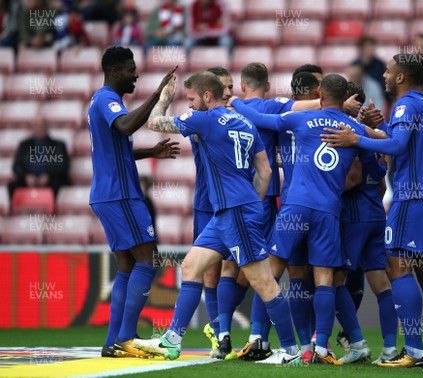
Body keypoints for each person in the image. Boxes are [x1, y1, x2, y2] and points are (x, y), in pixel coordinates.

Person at [132, 71, 302, 365]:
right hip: (230, 211)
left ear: (207, 97)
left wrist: (164, 98)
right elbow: (266, 172)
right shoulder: (246, 123)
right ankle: (172, 340)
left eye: (192, 99)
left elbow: (154, 122)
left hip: (235, 211)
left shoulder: (206, 119)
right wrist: (252, 202)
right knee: (191, 266)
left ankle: (290, 351)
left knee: (264, 283)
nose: (191, 105)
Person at [230, 74, 374, 365]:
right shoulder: (355, 129)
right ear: (344, 95)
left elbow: (257, 117)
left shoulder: (301, 119)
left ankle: (270, 342)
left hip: (294, 207)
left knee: (270, 273)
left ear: (320, 92)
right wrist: (374, 133)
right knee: (326, 279)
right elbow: (385, 157)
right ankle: (320, 347)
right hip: (330, 210)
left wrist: (233, 100)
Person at [321, 54, 423, 369]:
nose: (384, 73)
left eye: (389, 70)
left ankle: (414, 352)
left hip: (412, 197)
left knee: (398, 268)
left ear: (402, 77)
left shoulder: (406, 104)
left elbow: (397, 147)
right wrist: (383, 126)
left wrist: (357, 139)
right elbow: (403, 139)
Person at [89, 46, 178, 358]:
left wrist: (150, 153)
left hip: (108, 194)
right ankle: (127, 338)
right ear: (114, 72)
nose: (135, 74)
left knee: (127, 264)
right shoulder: (107, 99)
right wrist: (156, 95)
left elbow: (115, 148)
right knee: (148, 258)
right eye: (129, 69)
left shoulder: (103, 101)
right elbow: (126, 127)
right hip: (120, 194)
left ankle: (114, 341)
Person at [334, 82, 398, 365]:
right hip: (375, 214)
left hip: (355, 217)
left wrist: (323, 190)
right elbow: (383, 186)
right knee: (381, 284)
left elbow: (353, 177)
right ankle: (390, 349)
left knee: (332, 281)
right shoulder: (375, 137)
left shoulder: (351, 134)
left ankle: (356, 342)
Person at [195, 66, 235, 359]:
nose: (230, 93)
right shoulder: (202, 121)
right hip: (207, 203)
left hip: (233, 203)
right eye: (224, 87)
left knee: (236, 269)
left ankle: (227, 333)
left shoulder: (237, 118)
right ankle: (219, 334)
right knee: (211, 272)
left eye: (232, 87)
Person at [8, 115, 70, 199]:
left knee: (58, 185)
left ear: (47, 126)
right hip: (28, 180)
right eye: (36, 125)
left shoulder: (59, 145)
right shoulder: (24, 145)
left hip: (51, 180)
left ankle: (55, 210)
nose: (39, 128)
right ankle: (16, 210)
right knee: (12, 186)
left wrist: (48, 176)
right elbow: (16, 166)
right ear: (32, 128)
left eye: (42, 125)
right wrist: (26, 176)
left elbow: (63, 166)